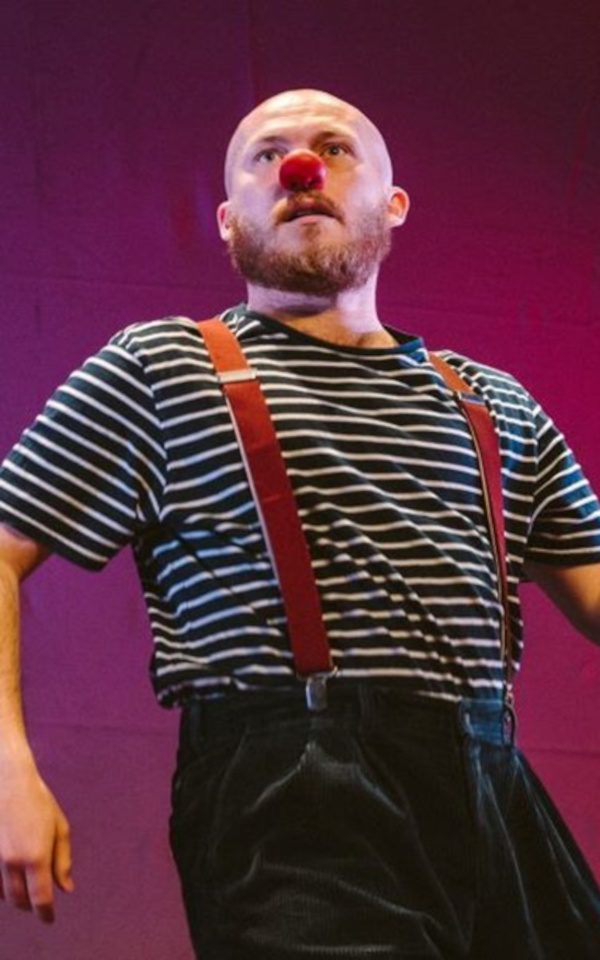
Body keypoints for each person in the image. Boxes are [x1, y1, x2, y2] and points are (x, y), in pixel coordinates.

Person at [0, 88, 600, 959]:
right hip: (294, 793)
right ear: (225, 219)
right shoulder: (160, 369)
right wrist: (6, 766)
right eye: (266, 154)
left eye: (333, 148)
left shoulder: (491, 402)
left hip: (489, 782)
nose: (300, 168)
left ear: (392, 205)